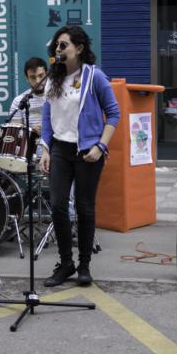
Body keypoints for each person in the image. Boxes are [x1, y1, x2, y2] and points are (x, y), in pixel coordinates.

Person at [39, 26, 120, 286]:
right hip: (60, 150)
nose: (58, 50)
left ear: (79, 48)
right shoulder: (52, 78)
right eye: (56, 47)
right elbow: (47, 116)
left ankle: (84, 265)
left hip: (88, 151)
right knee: (59, 205)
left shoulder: (95, 76)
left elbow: (114, 114)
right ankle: (66, 263)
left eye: (64, 46)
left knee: (85, 208)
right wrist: (45, 149)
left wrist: (101, 147)